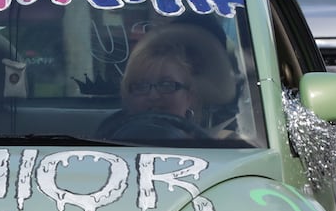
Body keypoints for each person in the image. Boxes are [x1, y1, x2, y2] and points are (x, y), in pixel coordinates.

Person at [95, 22, 237, 139]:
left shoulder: (222, 145)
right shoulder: (107, 138)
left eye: (167, 85)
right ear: (128, 95)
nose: (153, 96)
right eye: (141, 86)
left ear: (190, 96)